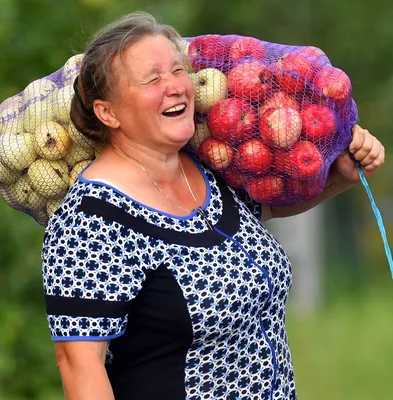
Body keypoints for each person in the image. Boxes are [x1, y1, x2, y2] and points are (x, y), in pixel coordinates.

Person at [42, 11, 385, 400]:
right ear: (108, 112)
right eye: (153, 79)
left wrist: (340, 176)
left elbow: (262, 214)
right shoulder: (92, 217)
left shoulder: (205, 167)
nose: (175, 86)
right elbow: (78, 364)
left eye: (177, 70)